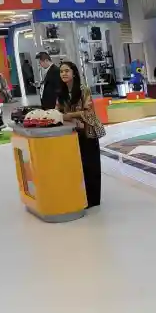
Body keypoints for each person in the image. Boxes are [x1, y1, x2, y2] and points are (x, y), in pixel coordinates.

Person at [56, 61, 106, 209]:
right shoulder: (61, 92)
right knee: (77, 166)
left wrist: (68, 115)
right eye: (61, 71)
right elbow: (58, 111)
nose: (64, 74)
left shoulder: (84, 90)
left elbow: (88, 112)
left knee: (90, 166)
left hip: (87, 133)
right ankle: (79, 197)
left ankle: (93, 200)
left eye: (67, 71)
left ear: (74, 73)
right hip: (71, 134)